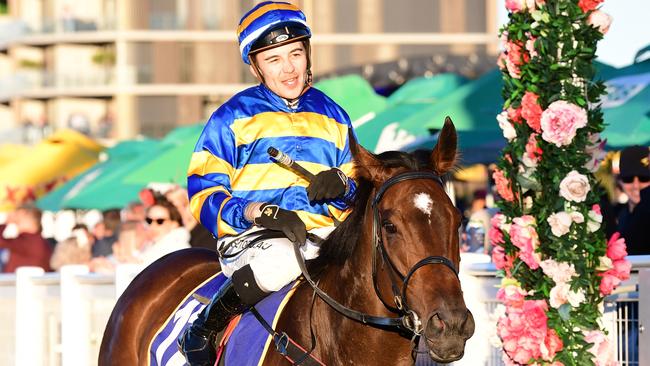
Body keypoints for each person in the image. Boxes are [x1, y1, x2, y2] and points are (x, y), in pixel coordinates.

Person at [177, 2, 357, 364]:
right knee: (282, 260)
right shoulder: (230, 117)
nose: (288, 67)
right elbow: (202, 190)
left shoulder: (335, 116)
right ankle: (206, 327)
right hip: (254, 240)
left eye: (295, 53)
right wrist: (256, 212)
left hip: (322, 240)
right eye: (273, 59)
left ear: (308, 54)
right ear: (256, 66)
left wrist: (343, 187)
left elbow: (355, 186)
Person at [616, 145, 650, 256]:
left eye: (644, 178)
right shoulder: (614, 215)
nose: (636, 186)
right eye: (628, 179)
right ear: (620, 182)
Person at [0, 205, 52, 273]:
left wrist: (7, 221)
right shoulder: (39, 240)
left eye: (17, 213)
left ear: (23, 213)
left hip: (21, 282)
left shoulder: (28, 240)